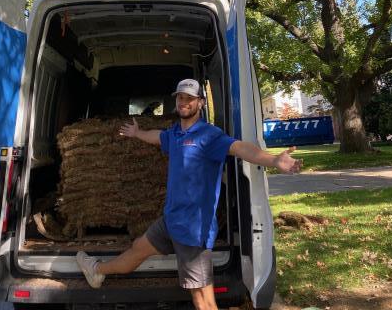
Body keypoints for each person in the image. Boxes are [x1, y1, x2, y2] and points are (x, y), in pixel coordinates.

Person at [77, 78, 302, 310]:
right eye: (180, 97)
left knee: (203, 300)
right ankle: (97, 270)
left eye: (190, 98)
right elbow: (158, 137)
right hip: (171, 220)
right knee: (137, 248)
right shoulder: (175, 133)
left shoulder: (209, 135)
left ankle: (97, 270)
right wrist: (137, 133)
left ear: (201, 103)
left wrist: (273, 160)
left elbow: (240, 148)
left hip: (194, 230)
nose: (184, 102)